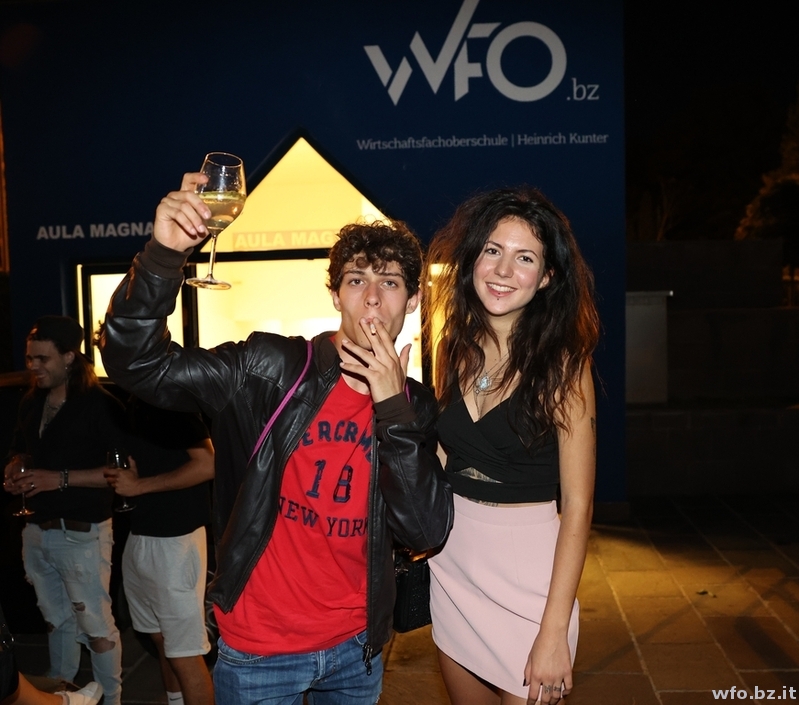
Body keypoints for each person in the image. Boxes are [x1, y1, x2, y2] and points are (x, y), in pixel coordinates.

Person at [98, 171, 453, 705]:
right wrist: (163, 257)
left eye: (390, 283)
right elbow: (138, 364)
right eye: (356, 280)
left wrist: (392, 411)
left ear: (414, 299)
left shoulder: (417, 406)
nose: (372, 299)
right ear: (335, 294)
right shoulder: (270, 370)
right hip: (260, 649)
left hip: (357, 648)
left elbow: (425, 531)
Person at [424, 187, 599, 705]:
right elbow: (445, 454)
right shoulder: (452, 347)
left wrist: (554, 631)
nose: (503, 270)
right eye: (493, 250)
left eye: (525, 258)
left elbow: (579, 506)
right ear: (472, 258)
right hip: (453, 565)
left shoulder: (565, 366)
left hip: (531, 581)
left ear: (546, 277)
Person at [3, 316, 125, 705]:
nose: (33, 366)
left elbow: (121, 472)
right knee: (56, 620)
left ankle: (111, 698)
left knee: (95, 624)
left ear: (70, 357)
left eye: (43, 358)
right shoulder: (31, 401)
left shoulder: (101, 405)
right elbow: (22, 449)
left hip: (82, 531)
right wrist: (15, 467)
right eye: (29, 358)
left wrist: (59, 479)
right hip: (38, 528)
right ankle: (62, 693)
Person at [103, 396, 215, 705]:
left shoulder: (171, 401)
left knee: (185, 651)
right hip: (141, 533)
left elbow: (208, 463)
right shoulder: (133, 404)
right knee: (163, 642)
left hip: (176, 541)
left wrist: (139, 486)